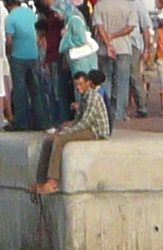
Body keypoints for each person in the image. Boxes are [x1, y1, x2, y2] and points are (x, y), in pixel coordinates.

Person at [33, 66, 111, 197]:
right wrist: (65, 128)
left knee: (59, 140)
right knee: (49, 140)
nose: (78, 87)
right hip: (86, 127)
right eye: (76, 85)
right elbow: (77, 120)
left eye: (81, 84)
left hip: (96, 131)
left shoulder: (93, 97)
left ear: (88, 83)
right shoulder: (84, 97)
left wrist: (65, 133)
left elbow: (85, 122)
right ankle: (41, 180)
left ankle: (53, 180)